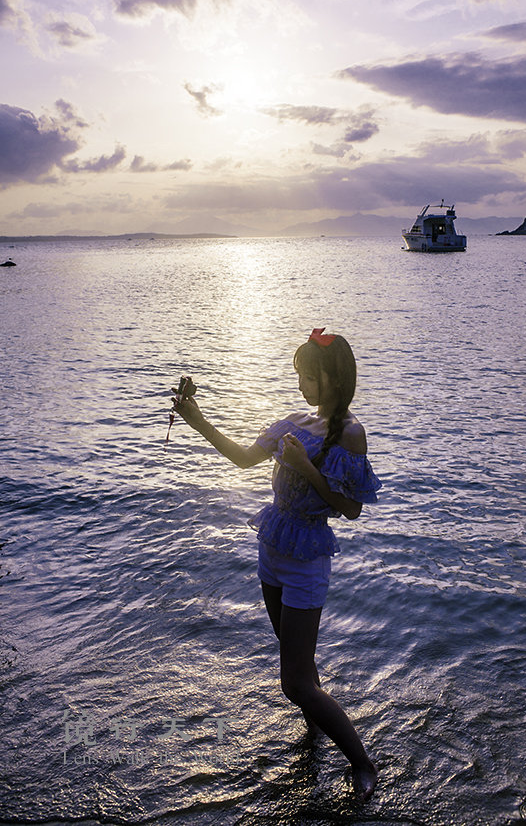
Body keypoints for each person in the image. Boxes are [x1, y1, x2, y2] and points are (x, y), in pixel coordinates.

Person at [172, 328, 381, 801]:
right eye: (300, 376)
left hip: (307, 559)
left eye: (308, 377)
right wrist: (198, 421)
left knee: (293, 682)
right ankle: (314, 733)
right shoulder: (291, 422)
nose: (303, 385)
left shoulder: (350, 433)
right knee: (301, 667)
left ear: (332, 378)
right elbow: (244, 459)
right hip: (272, 549)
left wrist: (307, 471)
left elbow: (351, 510)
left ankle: (363, 763)